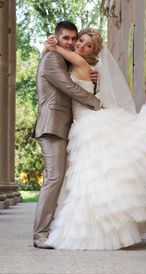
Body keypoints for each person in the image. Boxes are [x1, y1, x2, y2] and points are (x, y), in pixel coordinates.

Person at [44, 28, 146, 250]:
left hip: (88, 124)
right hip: (84, 123)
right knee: (96, 177)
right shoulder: (87, 67)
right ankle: (102, 228)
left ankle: (97, 231)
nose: (80, 46)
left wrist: (51, 44)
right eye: (80, 41)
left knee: (93, 177)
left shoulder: (82, 64)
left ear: (93, 52)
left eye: (87, 45)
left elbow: (57, 50)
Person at [33, 22, 101, 249]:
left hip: (63, 126)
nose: (72, 43)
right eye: (67, 39)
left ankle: (49, 229)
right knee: (54, 178)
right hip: (52, 126)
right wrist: (96, 102)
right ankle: (40, 234)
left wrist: (93, 77)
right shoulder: (52, 60)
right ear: (57, 38)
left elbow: (75, 77)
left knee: (59, 179)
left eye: (74, 38)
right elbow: (68, 87)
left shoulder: (61, 59)